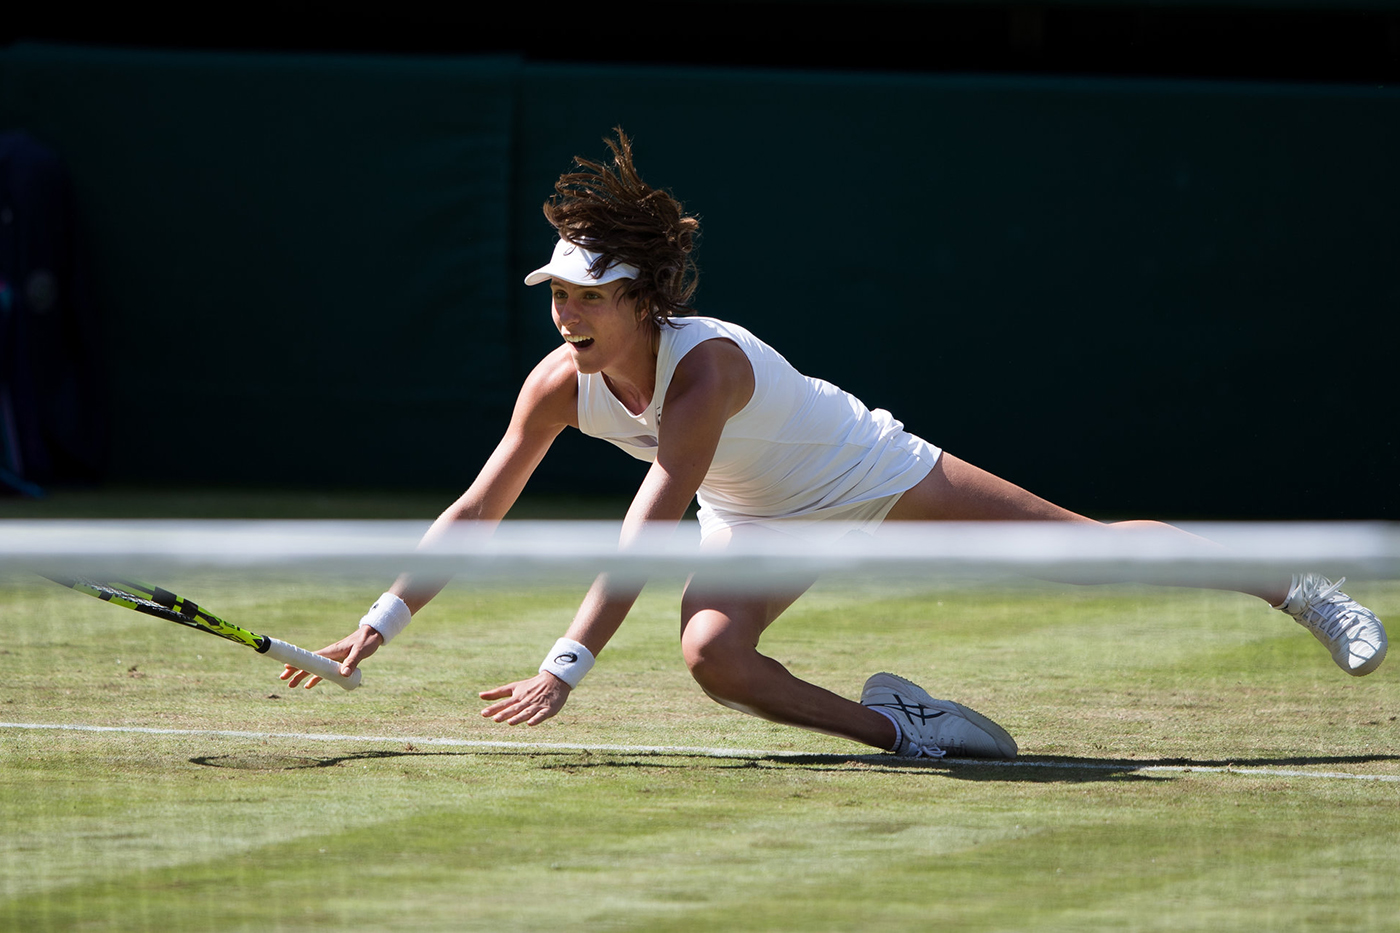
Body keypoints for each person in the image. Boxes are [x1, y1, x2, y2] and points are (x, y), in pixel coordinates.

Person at [282, 130, 1388, 760]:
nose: (564, 313)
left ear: (639, 299)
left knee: (1086, 550)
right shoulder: (556, 384)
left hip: (866, 475)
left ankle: (1296, 588)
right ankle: (907, 729)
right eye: (557, 294)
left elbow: (646, 525)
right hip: (754, 516)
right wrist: (377, 623)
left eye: (586, 296)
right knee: (714, 660)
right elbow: (477, 510)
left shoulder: (705, 370)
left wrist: (563, 666)